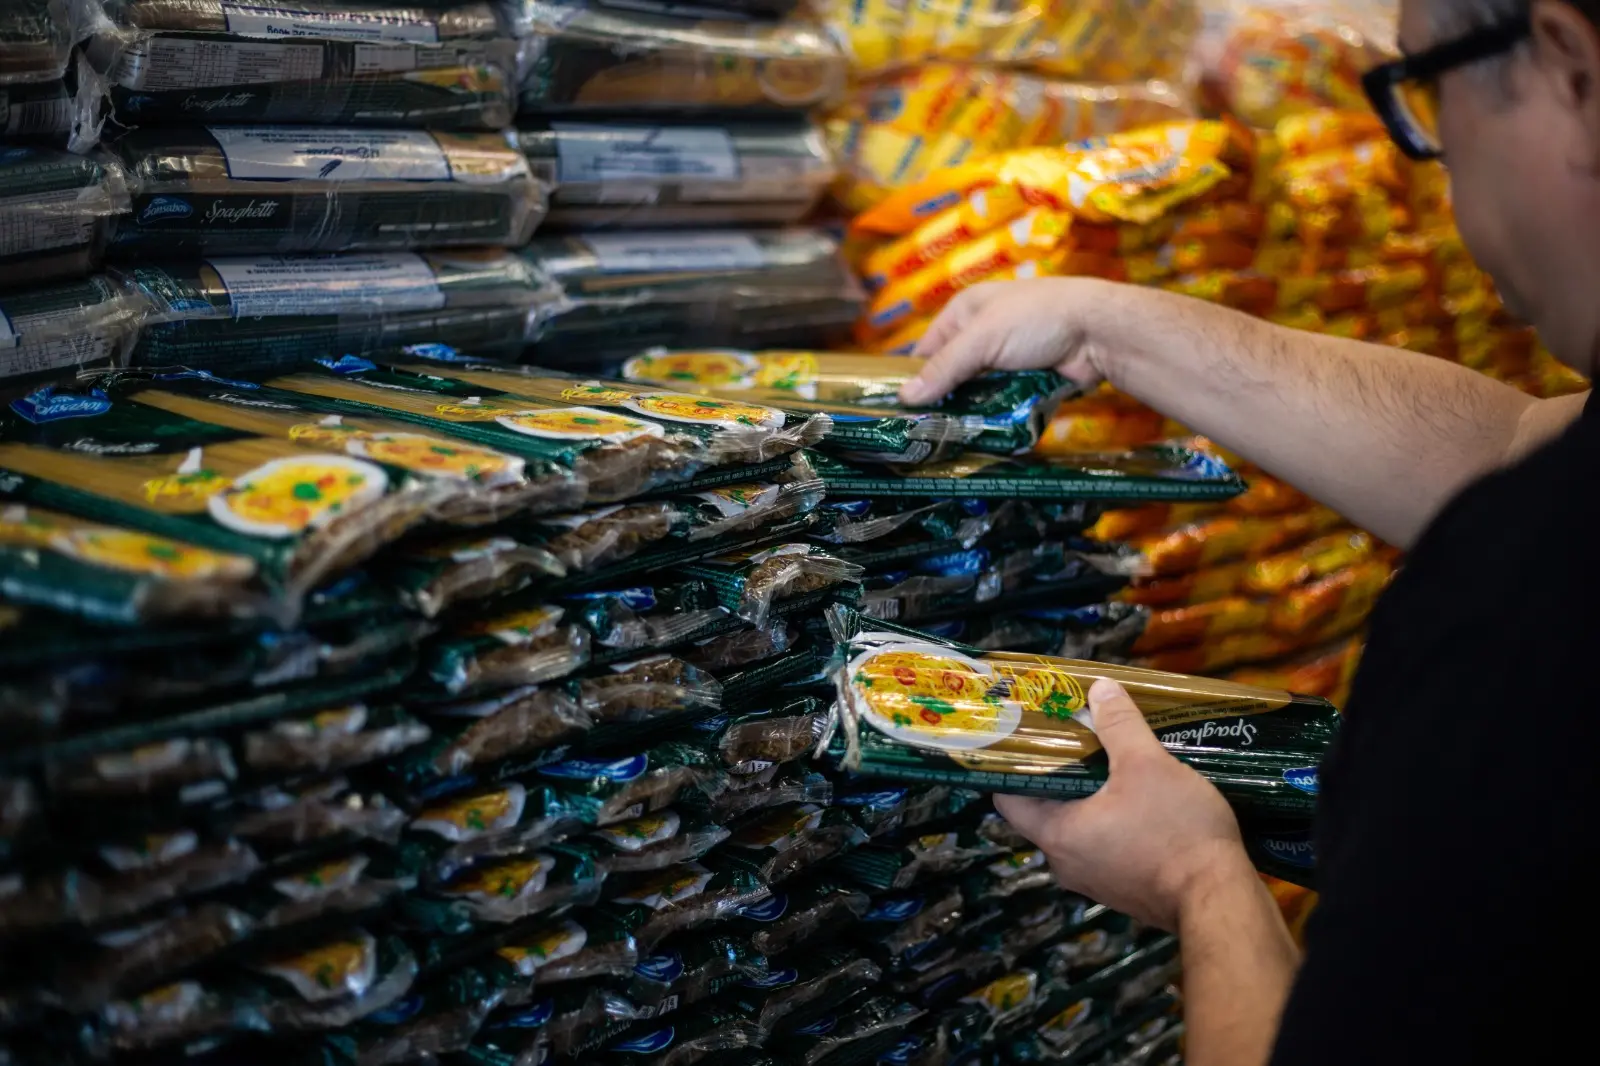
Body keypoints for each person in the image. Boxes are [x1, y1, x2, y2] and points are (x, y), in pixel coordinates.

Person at [898, 0, 1600, 1061]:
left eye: (1429, 101)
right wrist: (1108, 324)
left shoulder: (1530, 614)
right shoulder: (1547, 521)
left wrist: (1201, 878)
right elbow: (1514, 442)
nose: (1439, 177)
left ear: (1572, 73)